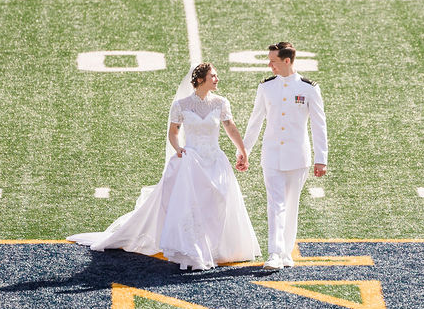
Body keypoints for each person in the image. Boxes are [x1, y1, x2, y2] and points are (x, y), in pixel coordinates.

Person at [68, 63, 260, 270]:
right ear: (200, 80)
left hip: (215, 160)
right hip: (191, 160)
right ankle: (194, 248)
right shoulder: (181, 105)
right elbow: (174, 132)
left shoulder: (221, 103)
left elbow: (230, 127)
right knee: (192, 204)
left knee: (219, 202)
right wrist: (178, 148)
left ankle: (215, 247)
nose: (217, 79)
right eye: (213, 76)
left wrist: (242, 150)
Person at [242, 42, 328, 271]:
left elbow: (319, 125)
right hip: (271, 155)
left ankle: (286, 251)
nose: (270, 65)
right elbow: (255, 121)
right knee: (275, 204)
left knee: (291, 205)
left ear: (287, 61)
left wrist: (322, 158)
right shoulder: (266, 87)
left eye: (274, 61)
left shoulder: (309, 88)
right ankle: (274, 253)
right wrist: (244, 151)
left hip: (298, 156)